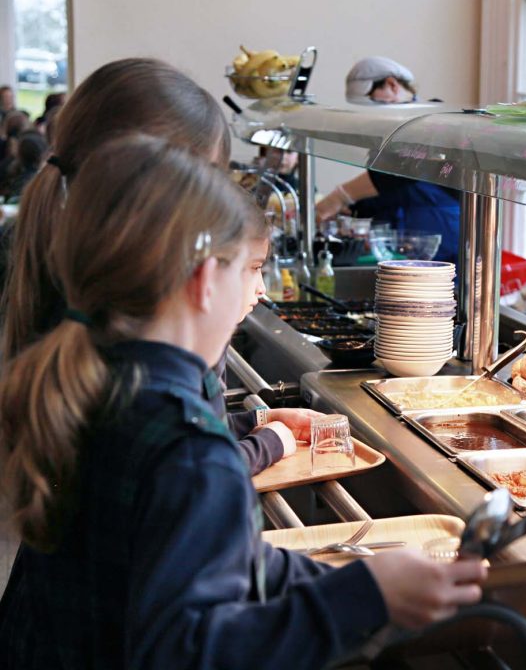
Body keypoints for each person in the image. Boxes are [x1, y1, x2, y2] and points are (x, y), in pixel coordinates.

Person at [0, 134, 486, 669]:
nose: (257, 292)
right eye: (250, 270)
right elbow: (189, 654)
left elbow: (203, 562)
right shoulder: (193, 454)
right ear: (207, 281)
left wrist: (346, 579)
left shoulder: (98, 379)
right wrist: (361, 597)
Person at [0, 57, 319, 474]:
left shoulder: (84, 292)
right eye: (205, 185)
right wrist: (267, 443)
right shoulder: (140, 337)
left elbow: (168, 447)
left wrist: (257, 423)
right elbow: (187, 468)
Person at [316, 57, 460, 263]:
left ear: (392, 85)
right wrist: (356, 209)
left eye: (373, 103)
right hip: (404, 244)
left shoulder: (432, 118)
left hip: (441, 238)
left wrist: (340, 197)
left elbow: (398, 173)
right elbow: (390, 192)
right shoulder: (391, 130)